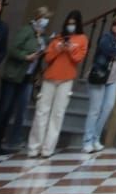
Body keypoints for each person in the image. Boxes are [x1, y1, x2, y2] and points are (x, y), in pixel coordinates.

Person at [0, 4, 49, 165]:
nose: (46, 21)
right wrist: (25, 57)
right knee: (3, 109)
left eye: (47, 19)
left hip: (26, 77)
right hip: (13, 76)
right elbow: (13, 49)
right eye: (44, 18)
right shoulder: (26, 31)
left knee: (10, 111)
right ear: (37, 18)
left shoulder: (41, 36)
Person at [28, 8, 86, 158]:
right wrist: (59, 48)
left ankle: (48, 148)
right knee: (42, 111)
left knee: (57, 114)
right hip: (50, 77)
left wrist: (70, 50)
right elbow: (47, 58)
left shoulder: (82, 39)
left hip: (66, 79)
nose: (70, 26)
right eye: (69, 23)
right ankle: (34, 146)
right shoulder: (58, 38)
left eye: (73, 23)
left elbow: (78, 59)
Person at [82, 12, 116, 152]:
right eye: (114, 23)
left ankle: (96, 138)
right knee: (95, 110)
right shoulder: (106, 37)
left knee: (108, 107)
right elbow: (108, 49)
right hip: (99, 75)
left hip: (113, 77)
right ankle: (87, 140)